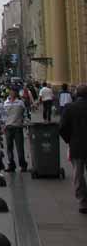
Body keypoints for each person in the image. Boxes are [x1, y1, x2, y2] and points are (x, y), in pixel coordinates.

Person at [59, 84, 87, 214]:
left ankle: (83, 202)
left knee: (78, 174)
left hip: (76, 146)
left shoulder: (70, 108)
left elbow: (62, 128)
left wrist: (69, 140)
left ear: (76, 94)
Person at [3, 88, 28, 173]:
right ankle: (11, 165)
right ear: (9, 92)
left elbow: (25, 114)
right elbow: (3, 116)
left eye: (14, 92)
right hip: (8, 128)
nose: (12, 93)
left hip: (18, 127)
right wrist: (3, 126)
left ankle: (23, 165)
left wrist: (25, 123)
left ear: (16, 93)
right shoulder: (5, 103)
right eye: (11, 92)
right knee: (9, 148)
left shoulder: (20, 103)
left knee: (19, 148)